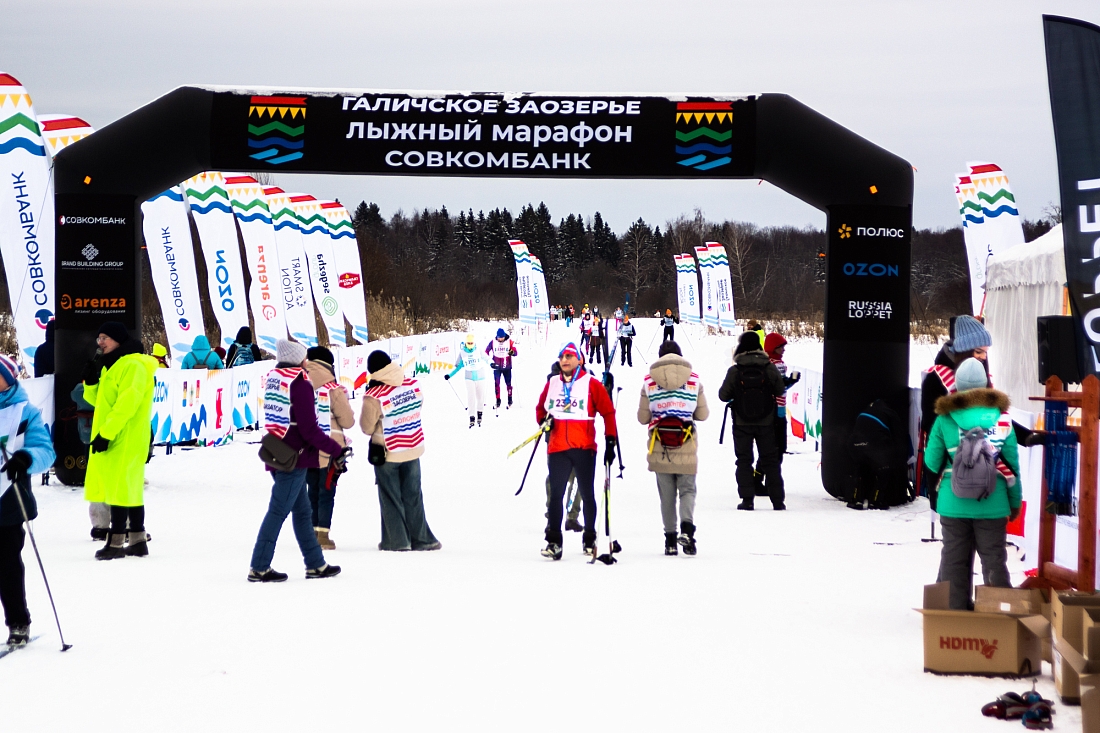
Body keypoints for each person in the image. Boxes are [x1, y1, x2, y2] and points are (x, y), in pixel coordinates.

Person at [925, 357, 1020, 610]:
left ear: (956, 385)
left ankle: (956, 618)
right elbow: (1012, 468)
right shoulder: (1003, 419)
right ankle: (999, 615)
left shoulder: (945, 419)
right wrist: (1013, 504)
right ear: (986, 383)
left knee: (954, 560)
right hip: (993, 503)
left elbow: (932, 462)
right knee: (994, 561)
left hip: (953, 502)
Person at [249, 339, 345, 582]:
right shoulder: (299, 383)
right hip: (295, 456)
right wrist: (334, 448)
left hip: (277, 450)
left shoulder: (275, 377)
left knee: (303, 512)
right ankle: (259, 566)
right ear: (299, 359)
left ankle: (316, 564)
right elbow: (309, 428)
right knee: (278, 511)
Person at [81, 321, 159, 560]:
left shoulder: (133, 365)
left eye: (104, 337)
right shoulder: (112, 366)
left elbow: (127, 403)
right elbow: (100, 402)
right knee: (128, 488)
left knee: (120, 488)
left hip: (124, 435)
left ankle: (115, 543)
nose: (100, 343)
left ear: (118, 339)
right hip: (116, 433)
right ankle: (137, 539)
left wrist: (107, 433)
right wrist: (91, 381)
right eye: (98, 338)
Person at [535, 341, 618, 560]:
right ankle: (554, 542)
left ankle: (590, 539)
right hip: (557, 448)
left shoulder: (590, 383)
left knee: (587, 493)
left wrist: (611, 441)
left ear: (579, 360)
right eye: (562, 356)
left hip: (583, 448)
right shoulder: (552, 382)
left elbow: (608, 412)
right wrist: (544, 421)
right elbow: (540, 408)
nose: (564, 360)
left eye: (569, 356)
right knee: (556, 496)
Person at [360, 350, 441, 552]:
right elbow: (419, 405)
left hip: (389, 452)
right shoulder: (412, 384)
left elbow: (366, 427)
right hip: (413, 447)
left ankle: (397, 541)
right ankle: (423, 539)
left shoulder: (374, 395)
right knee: (413, 495)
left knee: (390, 496)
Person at [0, 353, 55, 646]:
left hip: (9, 501)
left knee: (7, 563)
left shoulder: (25, 411)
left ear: (7, 380)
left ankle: (18, 622)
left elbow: (45, 450)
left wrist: (26, 458)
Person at [638, 341, 709, 556]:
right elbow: (703, 414)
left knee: (666, 495)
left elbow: (642, 418)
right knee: (687, 490)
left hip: (660, 445)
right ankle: (687, 530)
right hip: (686, 442)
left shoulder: (649, 381)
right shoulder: (694, 379)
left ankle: (670, 540)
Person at [718, 332, 786, 510]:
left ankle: (747, 500)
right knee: (770, 460)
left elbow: (723, 396)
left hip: (741, 422)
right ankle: (777, 501)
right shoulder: (768, 367)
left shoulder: (735, 370)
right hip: (766, 422)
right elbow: (780, 390)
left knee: (744, 460)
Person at [304, 346, 355, 551]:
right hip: (329, 449)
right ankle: (323, 536)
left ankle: (310, 533)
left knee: (311, 491)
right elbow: (348, 420)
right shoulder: (332, 389)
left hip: (305, 448)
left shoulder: (298, 385)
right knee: (326, 490)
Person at [847, 398, 911, 510]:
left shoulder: (865, 411)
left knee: (860, 468)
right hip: (875, 443)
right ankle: (876, 500)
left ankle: (855, 499)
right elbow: (899, 438)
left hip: (854, 443)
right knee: (883, 470)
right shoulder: (890, 412)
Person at [756, 334, 800, 493]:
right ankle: (768, 480)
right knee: (777, 447)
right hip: (774, 409)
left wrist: (789, 381)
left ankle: (760, 478)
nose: (783, 350)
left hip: (775, 408)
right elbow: (778, 387)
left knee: (770, 447)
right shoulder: (774, 364)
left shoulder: (772, 363)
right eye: (781, 347)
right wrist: (790, 381)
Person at [543, 360, 583, 532]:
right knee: (557, 479)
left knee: (577, 479)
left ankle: (571, 515)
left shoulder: (585, 380)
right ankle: (554, 514)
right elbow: (544, 408)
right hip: (557, 439)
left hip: (578, 439)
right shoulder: (553, 383)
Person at [446, 333, 491, 427]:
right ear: (466, 343)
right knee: (471, 398)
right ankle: (471, 417)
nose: (470, 344)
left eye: (472, 343)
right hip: (469, 378)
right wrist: (449, 375)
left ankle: (480, 414)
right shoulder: (462, 352)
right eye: (468, 343)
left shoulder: (479, 350)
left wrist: (492, 364)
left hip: (480, 377)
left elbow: (487, 359)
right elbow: (458, 367)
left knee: (480, 398)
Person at [486, 328, 518, 409]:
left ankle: (510, 400)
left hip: (507, 366)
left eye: (502, 337)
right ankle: (498, 400)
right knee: (497, 384)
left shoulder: (509, 341)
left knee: (508, 384)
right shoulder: (493, 342)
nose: (501, 339)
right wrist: (490, 362)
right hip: (496, 367)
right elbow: (486, 352)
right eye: (499, 337)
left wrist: (511, 352)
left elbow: (516, 352)